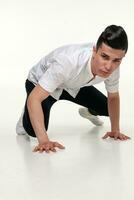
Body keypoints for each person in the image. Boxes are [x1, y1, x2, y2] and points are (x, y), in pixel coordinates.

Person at [16, 24, 131, 153]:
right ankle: (25, 115)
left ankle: (89, 112)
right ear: (94, 51)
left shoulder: (113, 65)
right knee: (32, 131)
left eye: (116, 60)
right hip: (40, 84)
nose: (109, 66)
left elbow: (113, 97)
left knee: (109, 109)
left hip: (75, 84)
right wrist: (44, 141)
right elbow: (34, 99)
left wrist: (115, 130)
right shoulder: (67, 62)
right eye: (104, 57)